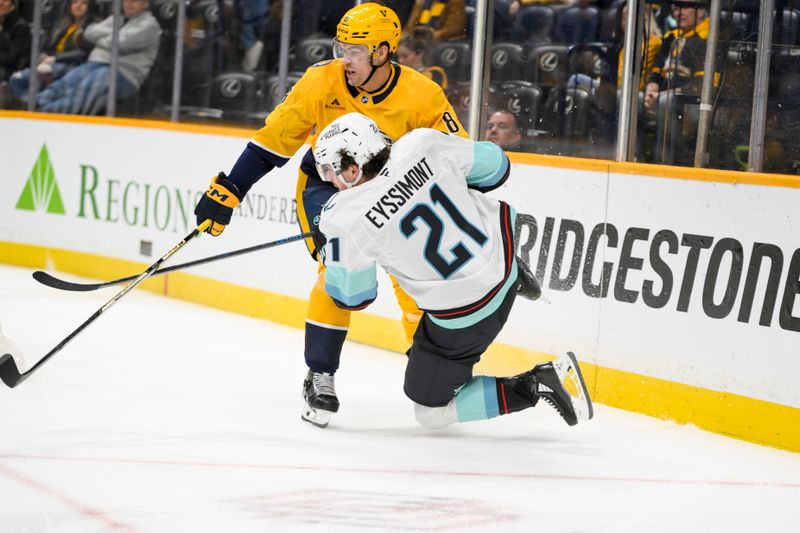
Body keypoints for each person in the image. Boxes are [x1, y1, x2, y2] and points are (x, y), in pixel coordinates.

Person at [193, 3, 468, 429]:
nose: (344, 58)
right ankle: (320, 374)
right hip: (328, 189)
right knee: (337, 268)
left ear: (381, 52)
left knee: (417, 277)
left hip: (396, 194)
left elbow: (457, 156)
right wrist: (231, 188)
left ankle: (428, 364)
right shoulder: (321, 81)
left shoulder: (422, 95)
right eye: (340, 47)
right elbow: (275, 139)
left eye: (354, 50)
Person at [313, 112, 592, 429]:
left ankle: (539, 383)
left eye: (329, 171)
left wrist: (332, 248)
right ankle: (511, 272)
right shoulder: (420, 143)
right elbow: (496, 168)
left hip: (467, 312)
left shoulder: (343, 217)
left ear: (352, 169)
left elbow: (354, 297)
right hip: (501, 253)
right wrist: (436, 181)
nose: (328, 181)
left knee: (430, 411)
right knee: (463, 198)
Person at [34, 0, 161, 115]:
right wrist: (113, 34)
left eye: (135, 1)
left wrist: (99, 39)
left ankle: (45, 113)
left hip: (123, 74)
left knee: (84, 90)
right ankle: (36, 105)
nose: (129, 3)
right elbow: (89, 32)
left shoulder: (149, 25)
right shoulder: (116, 19)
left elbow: (118, 44)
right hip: (96, 63)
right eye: (126, 0)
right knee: (67, 82)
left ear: (145, 4)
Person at [643, 0, 714, 165]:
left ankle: (666, 163)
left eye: (686, 7)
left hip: (696, 103)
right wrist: (651, 87)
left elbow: (701, 87)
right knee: (631, 100)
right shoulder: (672, 36)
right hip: (665, 94)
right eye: (677, 7)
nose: (679, 12)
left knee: (664, 103)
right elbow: (658, 67)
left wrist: (659, 94)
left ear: (702, 11)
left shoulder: (707, 37)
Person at [8, 0, 98, 104]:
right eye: (75, 2)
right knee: (16, 79)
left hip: (72, 66)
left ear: (90, 7)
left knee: (41, 78)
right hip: (53, 63)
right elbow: (49, 47)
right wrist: (44, 57)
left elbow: (83, 53)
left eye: (84, 3)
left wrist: (55, 59)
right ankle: (29, 103)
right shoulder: (64, 25)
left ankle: (35, 105)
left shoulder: (92, 29)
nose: (78, 5)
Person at [0, 0, 30, 82]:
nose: (1, 3)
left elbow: (13, 59)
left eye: (5, 0)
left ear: (12, 4)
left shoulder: (21, 26)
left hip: (11, 72)